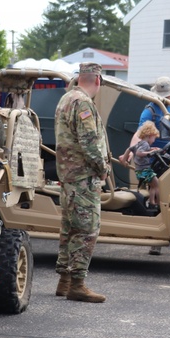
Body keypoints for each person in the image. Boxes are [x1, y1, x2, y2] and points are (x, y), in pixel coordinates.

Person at [53, 62, 110, 303]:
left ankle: (64, 280)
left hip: (68, 176)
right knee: (87, 229)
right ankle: (77, 284)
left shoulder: (65, 99)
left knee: (69, 227)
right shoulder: (83, 103)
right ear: (97, 80)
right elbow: (90, 142)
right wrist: (103, 167)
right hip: (83, 177)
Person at [121, 121, 162, 209]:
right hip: (145, 171)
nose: (154, 140)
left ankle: (152, 202)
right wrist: (150, 153)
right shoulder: (145, 144)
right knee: (158, 185)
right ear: (150, 135)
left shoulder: (140, 143)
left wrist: (124, 159)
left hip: (140, 171)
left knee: (153, 185)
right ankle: (158, 204)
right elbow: (139, 153)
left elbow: (130, 149)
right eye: (154, 138)